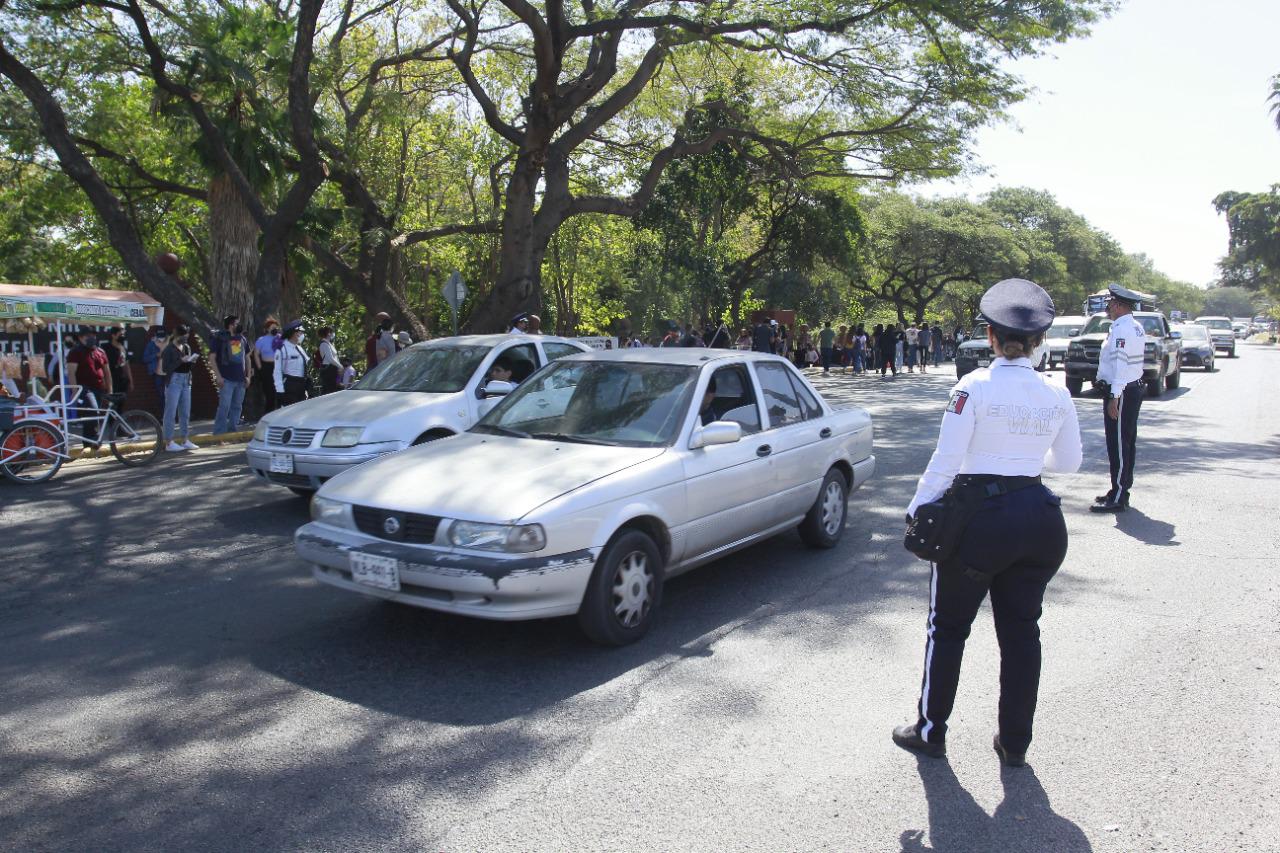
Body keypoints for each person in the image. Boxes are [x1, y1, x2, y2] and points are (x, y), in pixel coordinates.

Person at [892, 278, 1082, 767]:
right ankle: (1014, 742)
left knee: (948, 628)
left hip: (979, 523)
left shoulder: (972, 386)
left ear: (991, 338)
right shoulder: (1057, 393)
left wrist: (917, 510)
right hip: (1039, 519)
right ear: (1039, 341)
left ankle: (931, 731)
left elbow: (946, 459)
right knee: (1022, 633)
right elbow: (1068, 464)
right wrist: (1023, 452)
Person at [1091, 283, 1150, 513]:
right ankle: (1120, 489)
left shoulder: (1122, 330)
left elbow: (1120, 365)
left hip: (1122, 391)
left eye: (1110, 303)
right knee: (1126, 442)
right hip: (1130, 389)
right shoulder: (1134, 327)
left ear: (1117, 305)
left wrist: (1114, 396)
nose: (1108, 307)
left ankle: (1118, 494)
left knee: (1118, 444)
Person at [64, 328, 113, 445]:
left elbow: (107, 372)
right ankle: (94, 438)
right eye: (87, 336)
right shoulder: (75, 352)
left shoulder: (100, 352)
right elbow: (71, 372)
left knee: (91, 415)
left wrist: (110, 389)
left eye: (92, 335)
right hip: (84, 388)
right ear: (80, 338)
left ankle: (87, 442)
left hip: (99, 388)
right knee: (93, 409)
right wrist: (74, 391)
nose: (91, 338)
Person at [160, 325, 199, 452]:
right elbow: (165, 368)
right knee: (170, 412)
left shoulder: (186, 347)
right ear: (177, 335)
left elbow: (188, 365)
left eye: (187, 336)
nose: (186, 338)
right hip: (174, 381)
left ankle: (185, 439)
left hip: (186, 380)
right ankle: (169, 442)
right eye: (184, 336)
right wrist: (180, 361)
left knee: (185, 412)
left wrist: (191, 361)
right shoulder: (168, 350)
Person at [212, 315, 253, 434]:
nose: (239, 326)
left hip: (241, 380)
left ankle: (232, 432)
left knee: (237, 407)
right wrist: (218, 376)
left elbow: (247, 358)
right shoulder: (220, 338)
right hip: (226, 379)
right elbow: (212, 357)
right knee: (224, 407)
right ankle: (219, 433)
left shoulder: (242, 339)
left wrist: (248, 376)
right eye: (236, 323)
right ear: (230, 325)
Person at [274, 320, 310, 407]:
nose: (302, 335)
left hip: (301, 385)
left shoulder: (300, 349)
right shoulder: (282, 349)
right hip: (289, 385)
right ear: (294, 333)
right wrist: (279, 390)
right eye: (300, 332)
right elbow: (277, 371)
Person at [254, 318, 281, 414]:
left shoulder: (280, 338)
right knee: (269, 393)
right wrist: (260, 367)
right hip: (267, 367)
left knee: (279, 392)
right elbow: (256, 354)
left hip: (278, 367)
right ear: (267, 329)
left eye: (276, 327)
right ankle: (268, 414)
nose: (275, 329)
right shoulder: (261, 340)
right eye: (273, 327)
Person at [102, 327, 132, 402]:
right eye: (120, 334)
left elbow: (126, 365)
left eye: (123, 334)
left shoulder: (123, 348)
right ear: (113, 335)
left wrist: (131, 380)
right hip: (112, 379)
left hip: (122, 381)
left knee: (120, 403)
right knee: (112, 403)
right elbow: (102, 365)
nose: (122, 336)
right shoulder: (106, 348)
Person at [142, 327, 169, 409]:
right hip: (158, 374)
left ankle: (171, 414)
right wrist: (156, 355)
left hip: (169, 373)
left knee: (171, 395)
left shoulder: (170, 343)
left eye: (163, 336)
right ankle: (164, 415)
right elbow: (145, 358)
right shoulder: (151, 344)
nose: (161, 338)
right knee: (161, 395)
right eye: (160, 336)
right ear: (156, 335)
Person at [317, 326, 341, 394]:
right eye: (332, 332)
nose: (333, 334)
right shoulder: (324, 344)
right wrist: (340, 366)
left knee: (335, 389)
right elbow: (330, 359)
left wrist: (338, 367)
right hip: (328, 369)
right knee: (329, 390)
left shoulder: (329, 344)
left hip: (333, 369)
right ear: (328, 333)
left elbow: (335, 357)